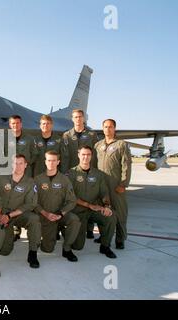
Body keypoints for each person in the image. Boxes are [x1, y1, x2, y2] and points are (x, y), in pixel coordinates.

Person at [68, 146, 117, 258]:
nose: (86, 157)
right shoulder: (71, 173)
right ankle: (69, 232)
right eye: (83, 154)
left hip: (94, 210)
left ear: (91, 156)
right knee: (77, 246)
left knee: (111, 216)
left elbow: (104, 193)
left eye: (88, 154)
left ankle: (105, 246)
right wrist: (88, 205)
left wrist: (106, 206)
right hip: (78, 211)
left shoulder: (98, 174)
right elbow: (70, 197)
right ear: (78, 155)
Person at [0, 154, 41, 268]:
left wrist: (10, 215)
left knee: (34, 219)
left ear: (25, 165)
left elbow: (31, 204)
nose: (18, 166)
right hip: (2, 215)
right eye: (15, 163)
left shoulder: (30, 182)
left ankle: (33, 253)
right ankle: (8, 235)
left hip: (19, 214)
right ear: (11, 165)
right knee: (5, 252)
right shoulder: (1, 179)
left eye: (21, 163)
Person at [34, 151, 81, 262]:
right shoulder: (37, 180)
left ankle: (67, 248)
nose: (51, 163)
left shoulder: (64, 180)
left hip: (60, 214)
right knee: (47, 249)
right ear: (45, 162)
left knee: (74, 220)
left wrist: (61, 214)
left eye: (54, 160)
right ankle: (50, 232)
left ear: (58, 162)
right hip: (45, 216)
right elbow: (33, 202)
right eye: (49, 160)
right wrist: (45, 213)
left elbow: (72, 201)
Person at [63, 109, 100, 239]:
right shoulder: (66, 135)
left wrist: (95, 172)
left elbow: (96, 155)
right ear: (72, 119)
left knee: (90, 198)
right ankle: (77, 226)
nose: (78, 119)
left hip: (88, 171)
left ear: (83, 118)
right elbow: (64, 156)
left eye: (80, 117)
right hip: (73, 173)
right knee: (74, 199)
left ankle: (90, 229)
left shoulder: (91, 134)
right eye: (75, 117)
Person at [95, 119, 132, 249]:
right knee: (102, 212)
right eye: (105, 127)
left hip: (115, 185)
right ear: (102, 129)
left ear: (114, 129)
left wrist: (123, 184)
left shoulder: (121, 145)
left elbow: (126, 166)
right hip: (101, 185)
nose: (108, 129)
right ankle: (104, 236)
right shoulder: (98, 145)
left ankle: (120, 239)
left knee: (120, 213)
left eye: (110, 127)